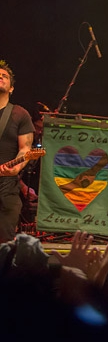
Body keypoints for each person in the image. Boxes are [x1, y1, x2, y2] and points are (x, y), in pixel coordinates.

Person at [0, 60, 34, 243]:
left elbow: (25, 149)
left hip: (6, 186)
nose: (0, 77)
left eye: (4, 76)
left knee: (4, 240)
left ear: (11, 88)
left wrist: (16, 167)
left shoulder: (19, 114)